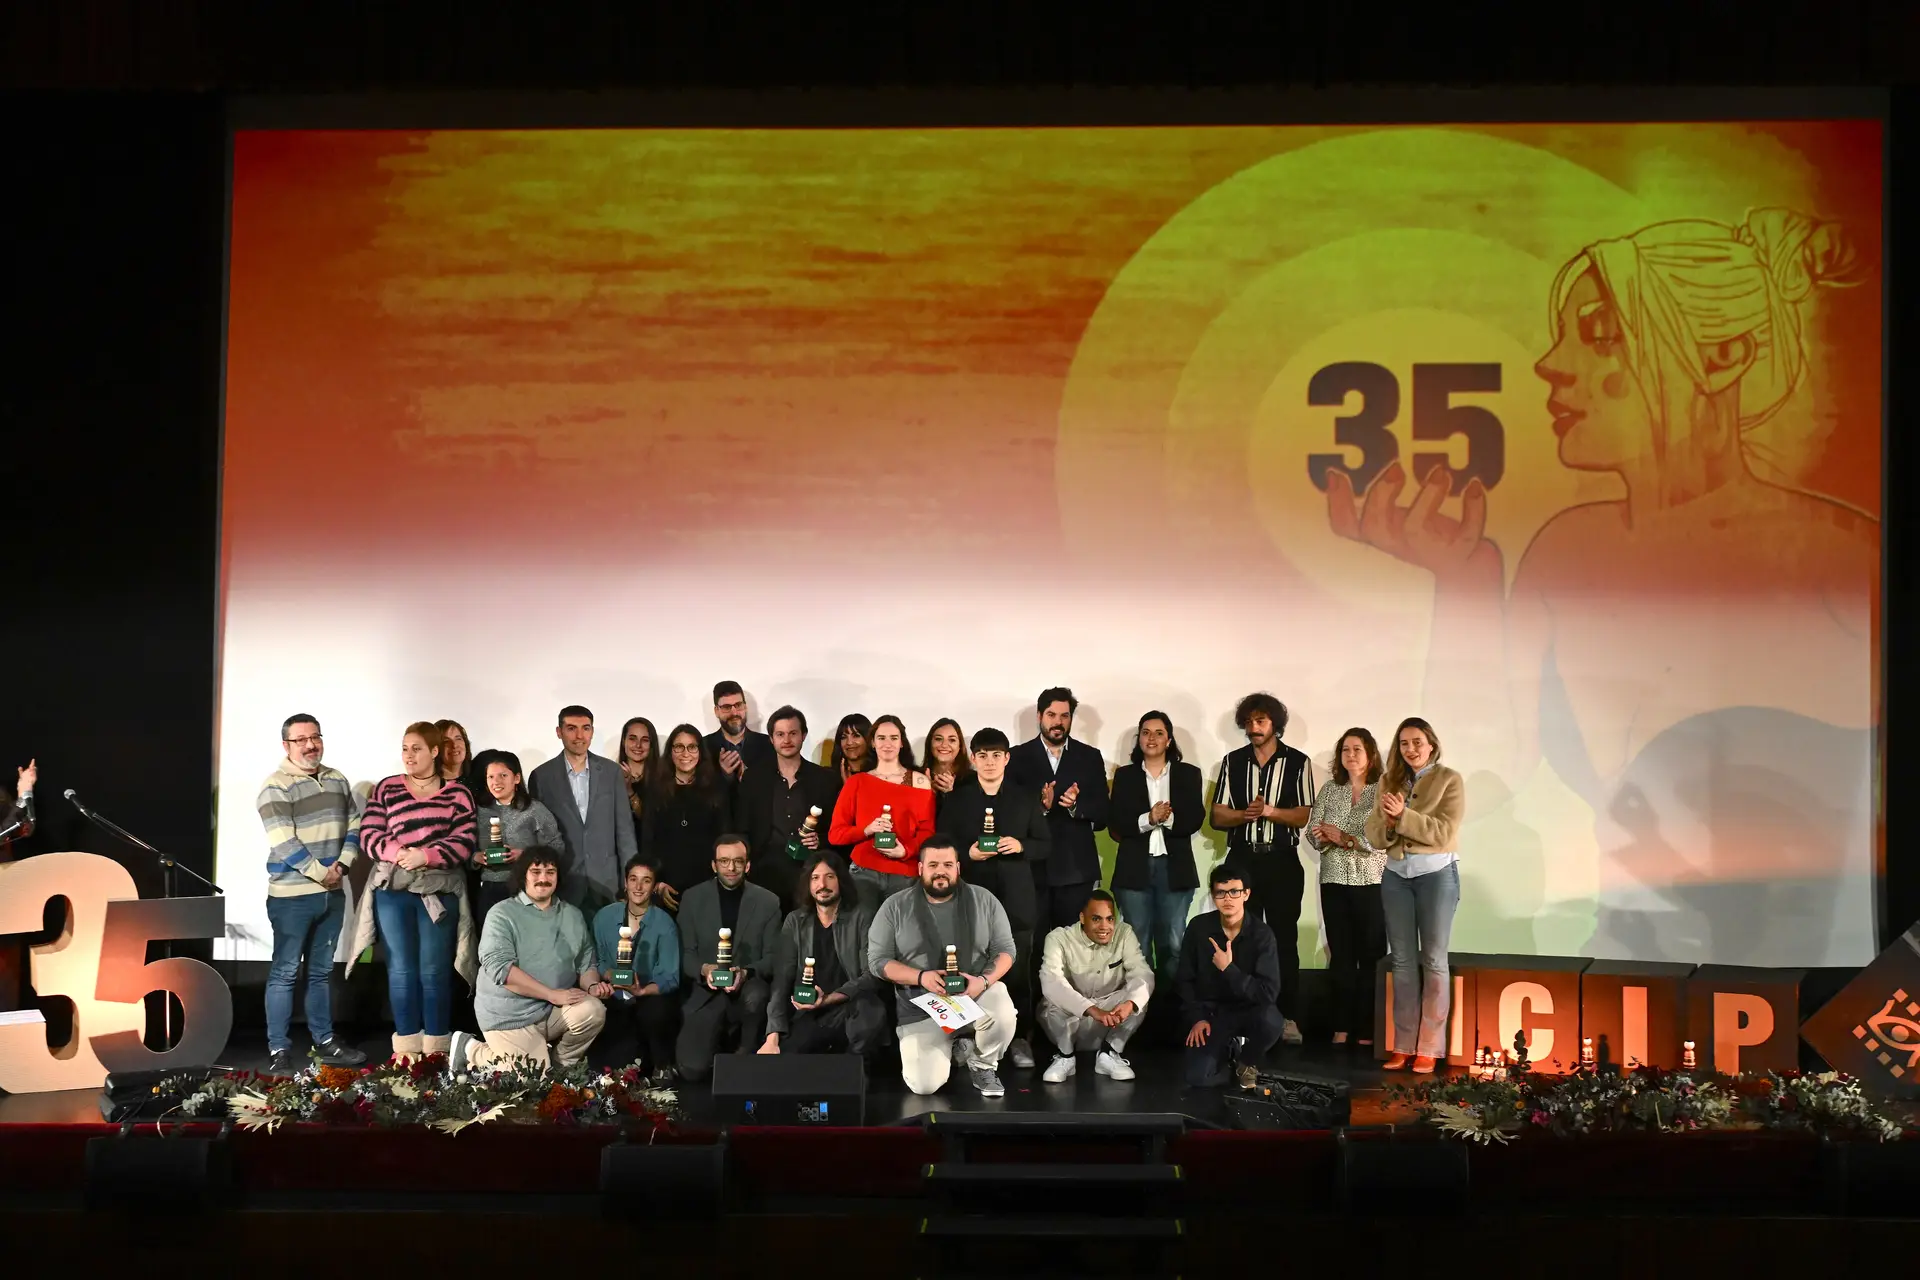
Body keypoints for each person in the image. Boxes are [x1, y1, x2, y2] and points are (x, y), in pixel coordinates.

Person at [1326, 212, 1874, 967]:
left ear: (1723, 356)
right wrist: (1464, 584)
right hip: (1627, 951)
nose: (1551, 365)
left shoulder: (1846, 556)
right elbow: (1490, 776)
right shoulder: (1563, 552)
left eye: (1600, 334)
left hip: (1810, 969)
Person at [351, 721, 479, 1062]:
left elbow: (465, 840)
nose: (408, 755)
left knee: (434, 971)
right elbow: (370, 833)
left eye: (417, 748)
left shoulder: (457, 794)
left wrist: (427, 855)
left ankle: (436, 1049)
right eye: (405, 748)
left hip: (439, 892)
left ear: (435, 751)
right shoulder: (387, 788)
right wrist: (397, 853)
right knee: (401, 970)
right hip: (393, 892)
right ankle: (407, 1051)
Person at [867, 836, 1018, 1098]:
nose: (941, 871)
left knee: (1003, 1009)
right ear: (920, 868)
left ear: (958, 868)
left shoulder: (984, 899)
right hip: (922, 1006)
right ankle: (957, 1049)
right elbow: (877, 961)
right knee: (923, 1086)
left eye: (948, 865)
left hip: (974, 994)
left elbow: (1006, 950)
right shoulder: (894, 906)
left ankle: (983, 1064)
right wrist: (921, 977)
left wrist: (982, 982)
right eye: (933, 865)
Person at [256, 715, 366, 1073]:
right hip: (291, 897)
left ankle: (325, 1041)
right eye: (301, 739)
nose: (310, 745)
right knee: (285, 972)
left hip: (332, 892)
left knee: (320, 973)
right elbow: (283, 841)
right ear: (286, 745)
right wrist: (323, 873)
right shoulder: (275, 786)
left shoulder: (337, 779)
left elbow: (354, 822)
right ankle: (278, 1048)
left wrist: (343, 864)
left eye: (315, 737)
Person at [940, 726, 1050, 1070]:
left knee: (1017, 971)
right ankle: (964, 1036)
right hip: (970, 898)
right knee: (966, 966)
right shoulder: (957, 799)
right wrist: (968, 855)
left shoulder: (1025, 797)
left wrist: (1021, 845)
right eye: (983, 756)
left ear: (1007, 758)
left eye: (996, 755)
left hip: (1017, 900)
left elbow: (1045, 845)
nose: (989, 762)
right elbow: (942, 847)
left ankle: (1019, 1039)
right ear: (973, 759)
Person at [1208, 692, 1314, 1045]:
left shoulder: (1298, 762)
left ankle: (1287, 1016)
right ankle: (1243, 1017)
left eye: (1261, 721)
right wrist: (1245, 815)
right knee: (1240, 938)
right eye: (1249, 721)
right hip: (1242, 859)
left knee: (1283, 939)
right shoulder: (1232, 762)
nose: (1254, 727)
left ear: (1275, 724)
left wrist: (1270, 812)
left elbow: (1303, 814)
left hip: (1282, 860)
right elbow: (1217, 815)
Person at [1365, 717, 1465, 1073]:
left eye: (1417, 742)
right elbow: (1374, 832)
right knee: (1403, 961)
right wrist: (1392, 825)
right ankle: (1404, 1044)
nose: (1410, 749)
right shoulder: (1388, 781)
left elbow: (1443, 832)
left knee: (1434, 960)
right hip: (1396, 876)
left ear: (1431, 744)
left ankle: (1430, 1047)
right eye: (1404, 743)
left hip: (1436, 875)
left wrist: (1402, 816)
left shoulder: (1449, 779)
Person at [450, 847, 608, 1071]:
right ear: (523, 875)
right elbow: (501, 970)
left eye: (550, 872)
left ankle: (560, 1066)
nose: (543, 878)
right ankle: (471, 1049)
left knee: (592, 1011)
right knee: (530, 1077)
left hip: (550, 1009)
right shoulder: (502, 913)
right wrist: (552, 994)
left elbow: (586, 963)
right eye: (536, 872)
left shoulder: (573, 915)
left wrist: (592, 986)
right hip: (509, 1014)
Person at [674, 834, 782, 1082]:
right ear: (714, 865)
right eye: (724, 861)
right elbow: (685, 953)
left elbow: (773, 957)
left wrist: (745, 973)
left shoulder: (768, 901)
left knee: (756, 995)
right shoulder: (692, 898)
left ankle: (745, 1052)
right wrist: (704, 969)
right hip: (706, 993)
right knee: (692, 1069)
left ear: (748, 865)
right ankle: (718, 1046)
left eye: (737, 861)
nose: (731, 867)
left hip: (748, 990)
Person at [1305, 728, 1388, 1047]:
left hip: (1372, 881)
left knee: (1371, 954)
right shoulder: (1330, 789)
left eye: (1357, 749)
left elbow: (1384, 836)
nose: (1350, 755)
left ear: (1370, 755)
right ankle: (1341, 1026)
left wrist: (1346, 838)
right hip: (1334, 880)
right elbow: (1313, 831)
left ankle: (1367, 1028)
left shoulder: (1382, 789)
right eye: (1345, 750)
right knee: (1340, 954)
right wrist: (1323, 837)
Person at [761, 851, 887, 1057]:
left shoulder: (862, 917)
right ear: (808, 884)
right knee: (791, 1057)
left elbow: (871, 975)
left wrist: (828, 999)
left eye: (830, 876)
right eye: (815, 878)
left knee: (870, 1011)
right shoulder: (795, 921)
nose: (822, 885)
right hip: (809, 1011)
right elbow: (782, 980)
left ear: (840, 881)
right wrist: (772, 1037)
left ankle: (856, 1067)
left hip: (850, 1007)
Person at [1109, 710, 1205, 979]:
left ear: (1169, 740)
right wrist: (1149, 819)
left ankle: (1171, 1000)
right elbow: (1116, 821)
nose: (1151, 738)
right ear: (1139, 739)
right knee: (1137, 944)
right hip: (1133, 870)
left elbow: (1195, 818)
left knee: (1173, 944)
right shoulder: (1125, 776)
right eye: (1146, 733)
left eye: (1159, 733)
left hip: (1175, 870)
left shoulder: (1188, 774)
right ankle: (1142, 1001)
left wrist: (1168, 818)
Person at [1009, 687, 1112, 931]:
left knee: (1073, 944)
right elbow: (1009, 813)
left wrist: (1076, 806)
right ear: (1039, 716)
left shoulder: (1090, 757)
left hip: (1075, 870)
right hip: (1031, 869)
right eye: (1051, 715)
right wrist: (1040, 808)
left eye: (1064, 716)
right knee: (1033, 942)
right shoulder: (1016, 757)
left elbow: (1103, 814)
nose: (1058, 722)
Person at [1176, 865, 1284, 1088]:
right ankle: (1230, 1050)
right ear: (1213, 895)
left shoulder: (1262, 934)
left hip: (1250, 1010)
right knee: (1197, 1078)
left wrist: (1229, 969)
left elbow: (1268, 993)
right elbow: (1185, 979)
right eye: (1221, 893)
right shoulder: (1198, 928)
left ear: (1246, 894)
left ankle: (1247, 1061)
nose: (1228, 899)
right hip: (1212, 1014)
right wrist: (1197, 1018)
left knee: (1272, 1021)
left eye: (1235, 891)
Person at [529, 705, 638, 914]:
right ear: (559, 732)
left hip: (607, 881)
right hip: (563, 880)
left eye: (585, 728)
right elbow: (537, 836)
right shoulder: (541, 776)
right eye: (571, 728)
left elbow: (624, 830)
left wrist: (631, 875)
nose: (579, 736)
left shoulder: (611, 772)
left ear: (592, 731)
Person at [1037, 890, 1152, 1083]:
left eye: (1110, 919)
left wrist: (1129, 1004)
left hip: (1109, 1020)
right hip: (1072, 1021)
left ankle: (1109, 1053)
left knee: (1139, 995)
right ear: (1082, 918)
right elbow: (1051, 982)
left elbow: (1142, 973)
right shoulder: (1058, 938)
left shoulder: (1124, 933)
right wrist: (1091, 1009)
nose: (1105, 926)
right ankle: (1065, 1057)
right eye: (1097, 919)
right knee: (1051, 1002)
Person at [737, 705, 844, 906]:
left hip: (810, 873)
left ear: (803, 735)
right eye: (780, 734)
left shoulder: (825, 780)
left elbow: (837, 830)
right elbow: (742, 826)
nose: (787, 740)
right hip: (764, 873)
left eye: (793, 733)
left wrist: (819, 841)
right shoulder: (754, 778)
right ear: (771, 739)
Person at [829, 713, 936, 912]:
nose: (887, 744)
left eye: (894, 738)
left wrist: (906, 851)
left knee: (903, 930)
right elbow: (836, 834)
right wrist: (867, 830)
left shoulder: (920, 782)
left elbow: (927, 832)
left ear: (902, 743)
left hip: (905, 873)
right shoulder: (857, 782)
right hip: (863, 873)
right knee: (862, 930)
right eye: (881, 738)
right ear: (872, 742)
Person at [590, 855, 681, 1082]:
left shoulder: (665, 923)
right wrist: (609, 975)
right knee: (615, 1069)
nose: (638, 887)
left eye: (646, 881)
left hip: (648, 1000)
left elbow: (670, 977)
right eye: (633, 879)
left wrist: (641, 990)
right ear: (625, 883)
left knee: (656, 1011)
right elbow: (597, 960)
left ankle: (662, 1062)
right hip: (614, 997)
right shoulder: (604, 917)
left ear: (654, 886)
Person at [643, 724, 732, 912]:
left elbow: (724, 838)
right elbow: (648, 841)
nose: (686, 753)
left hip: (708, 886)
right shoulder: (656, 791)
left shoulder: (716, 789)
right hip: (666, 887)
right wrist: (657, 882)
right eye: (679, 747)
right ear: (670, 752)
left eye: (692, 747)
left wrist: (718, 880)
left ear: (700, 752)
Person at [470, 748, 563, 924]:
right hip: (490, 889)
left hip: (527, 887)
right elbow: (463, 849)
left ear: (517, 778)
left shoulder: (534, 810)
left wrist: (526, 856)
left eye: (503, 775)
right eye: (491, 777)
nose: (496, 782)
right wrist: (476, 858)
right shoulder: (479, 811)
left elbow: (557, 847)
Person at [705, 680, 776, 785]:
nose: (734, 713)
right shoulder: (703, 747)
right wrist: (724, 776)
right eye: (726, 707)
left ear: (745, 707)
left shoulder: (769, 744)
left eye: (738, 705)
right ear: (716, 711)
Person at [616, 716, 659, 852]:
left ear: (652, 744)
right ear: (623, 741)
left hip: (652, 851)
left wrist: (629, 791)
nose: (638, 745)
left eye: (645, 740)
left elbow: (652, 821)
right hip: (619, 852)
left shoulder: (662, 778)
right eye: (632, 739)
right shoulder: (610, 775)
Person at [923, 717, 973, 820]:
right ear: (930, 743)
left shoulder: (973, 780)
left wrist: (950, 795)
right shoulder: (917, 776)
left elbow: (969, 821)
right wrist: (925, 793)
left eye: (952, 740)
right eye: (938, 739)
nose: (944, 745)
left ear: (960, 746)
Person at [1, 757, 35, 860]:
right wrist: (21, 800)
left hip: (7, 864)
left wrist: (25, 793)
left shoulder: (1, 794)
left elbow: (22, 827)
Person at [829, 713, 874, 781]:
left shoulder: (881, 776)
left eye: (856, 736)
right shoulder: (828, 777)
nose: (849, 742)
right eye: (844, 737)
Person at [435, 718, 475, 790]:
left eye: (458, 739)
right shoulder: (426, 784)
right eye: (446, 741)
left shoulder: (480, 773)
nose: (454, 745)